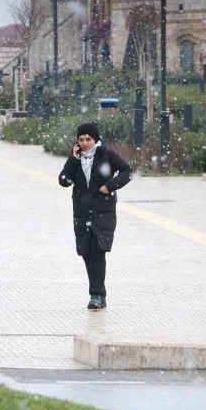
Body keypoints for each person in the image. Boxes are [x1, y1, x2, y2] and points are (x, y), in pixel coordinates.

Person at [58, 123, 132, 310]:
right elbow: (64, 181)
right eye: (81, 140)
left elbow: (127, 171)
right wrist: (73, 159)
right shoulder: (76, 158)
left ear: (95, 139)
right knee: (87, 254)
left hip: (103, 212)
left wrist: (109, 186)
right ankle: (99, 292)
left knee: (98, 252)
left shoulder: (106, 155)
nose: (84, 143)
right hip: (82, 214)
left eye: (88, 139)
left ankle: (96, 294)